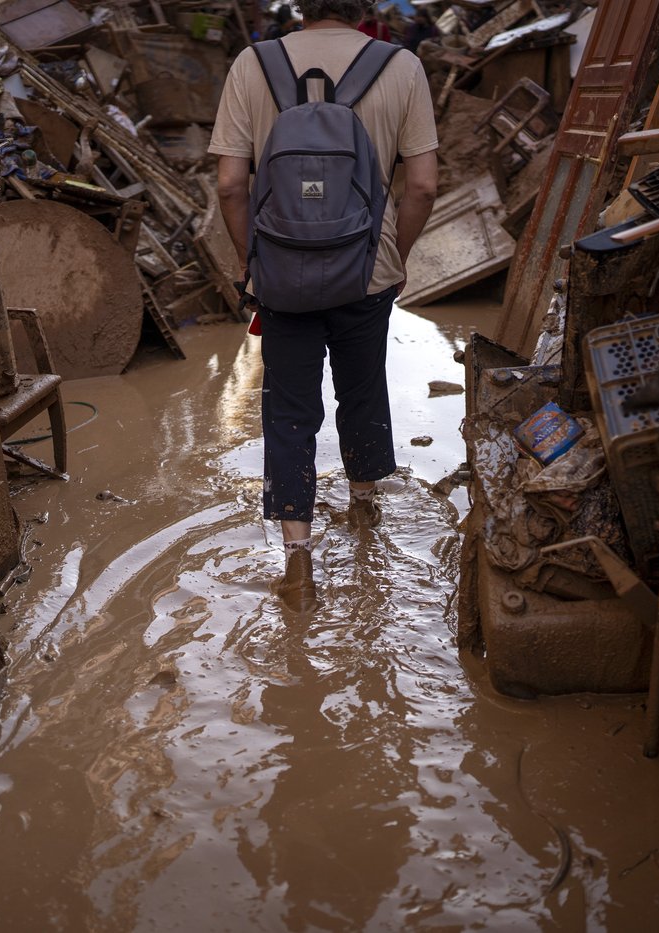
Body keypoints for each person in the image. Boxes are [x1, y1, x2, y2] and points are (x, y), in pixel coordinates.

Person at [209, 0, 439, 606]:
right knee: (362, 388)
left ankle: (298, 561)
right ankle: (363, 508)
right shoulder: (401, 66)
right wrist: (393, 256)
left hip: (281, 273)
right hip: (367, 270)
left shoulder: (253, 64)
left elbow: (230, 185)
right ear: (362, 5)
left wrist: (251, 262)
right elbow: (422, 186)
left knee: (288, 409)